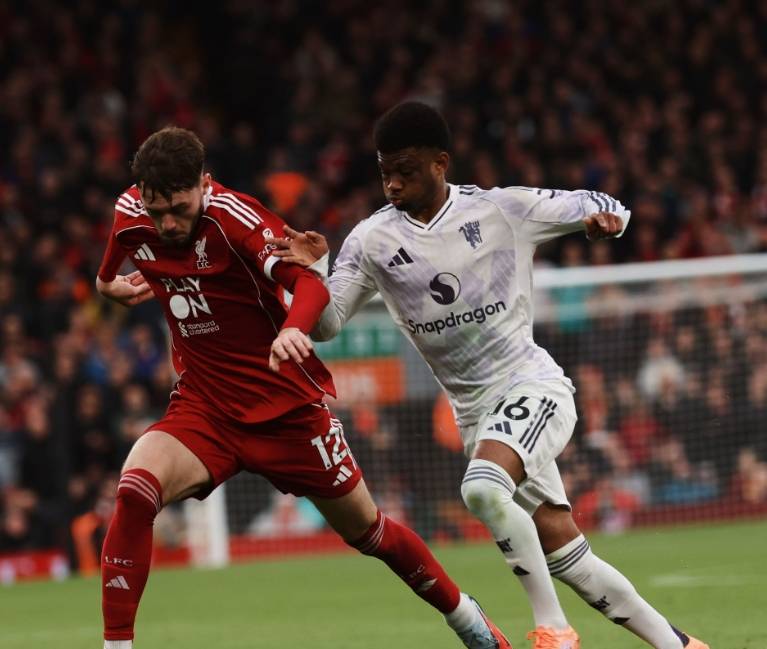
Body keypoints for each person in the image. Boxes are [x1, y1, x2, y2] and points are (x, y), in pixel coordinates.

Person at [268, 102, 710, 649]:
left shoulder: (502, 210)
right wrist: (314, 270)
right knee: (567, 555)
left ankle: (554, 630)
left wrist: (609, 222)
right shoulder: (371, 240)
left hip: (532, 386)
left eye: (406, 170)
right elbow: (329, 324)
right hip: (477, 416)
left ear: (440, 163)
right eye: (385, 172)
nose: (393, 184)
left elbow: (602, 203)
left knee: (480, 487)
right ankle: (680, 645)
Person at [95, 126, 511, 649]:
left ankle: (466, 617)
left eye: (179, 208)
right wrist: (106, 282)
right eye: (158, 212)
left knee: (370, 533)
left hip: (287, 411)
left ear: (204, 183)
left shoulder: (238, 219)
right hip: (206, 408)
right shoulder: (133, 212)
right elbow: (119, 248)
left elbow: (310, 283)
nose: (168, 224)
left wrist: (293, 328)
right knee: (136, 490)